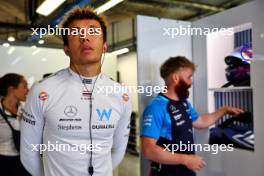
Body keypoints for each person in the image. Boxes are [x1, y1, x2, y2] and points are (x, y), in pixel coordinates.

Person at [20, 7, 132, 176]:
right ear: (66, 49)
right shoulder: (42, 90)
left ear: (104, 46)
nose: (85, 38)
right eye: (76, 33)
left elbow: (117, 152)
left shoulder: (120, 95)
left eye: (93, 32)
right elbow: (29, 153)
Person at [140, 56, 243, 176]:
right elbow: (148, 150)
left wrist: (223, 110)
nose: (190, 82)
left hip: (186, 171)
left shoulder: (184, 103)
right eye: (188, 77)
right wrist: (186, 159)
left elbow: (200, 121)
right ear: (176, 78)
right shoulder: (156, 108)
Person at [0, 73, 30, 175]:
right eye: (25, 86)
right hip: (2, 161)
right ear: (11, 89)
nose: (28, 90)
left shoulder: (28, 109)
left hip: (24, 160)